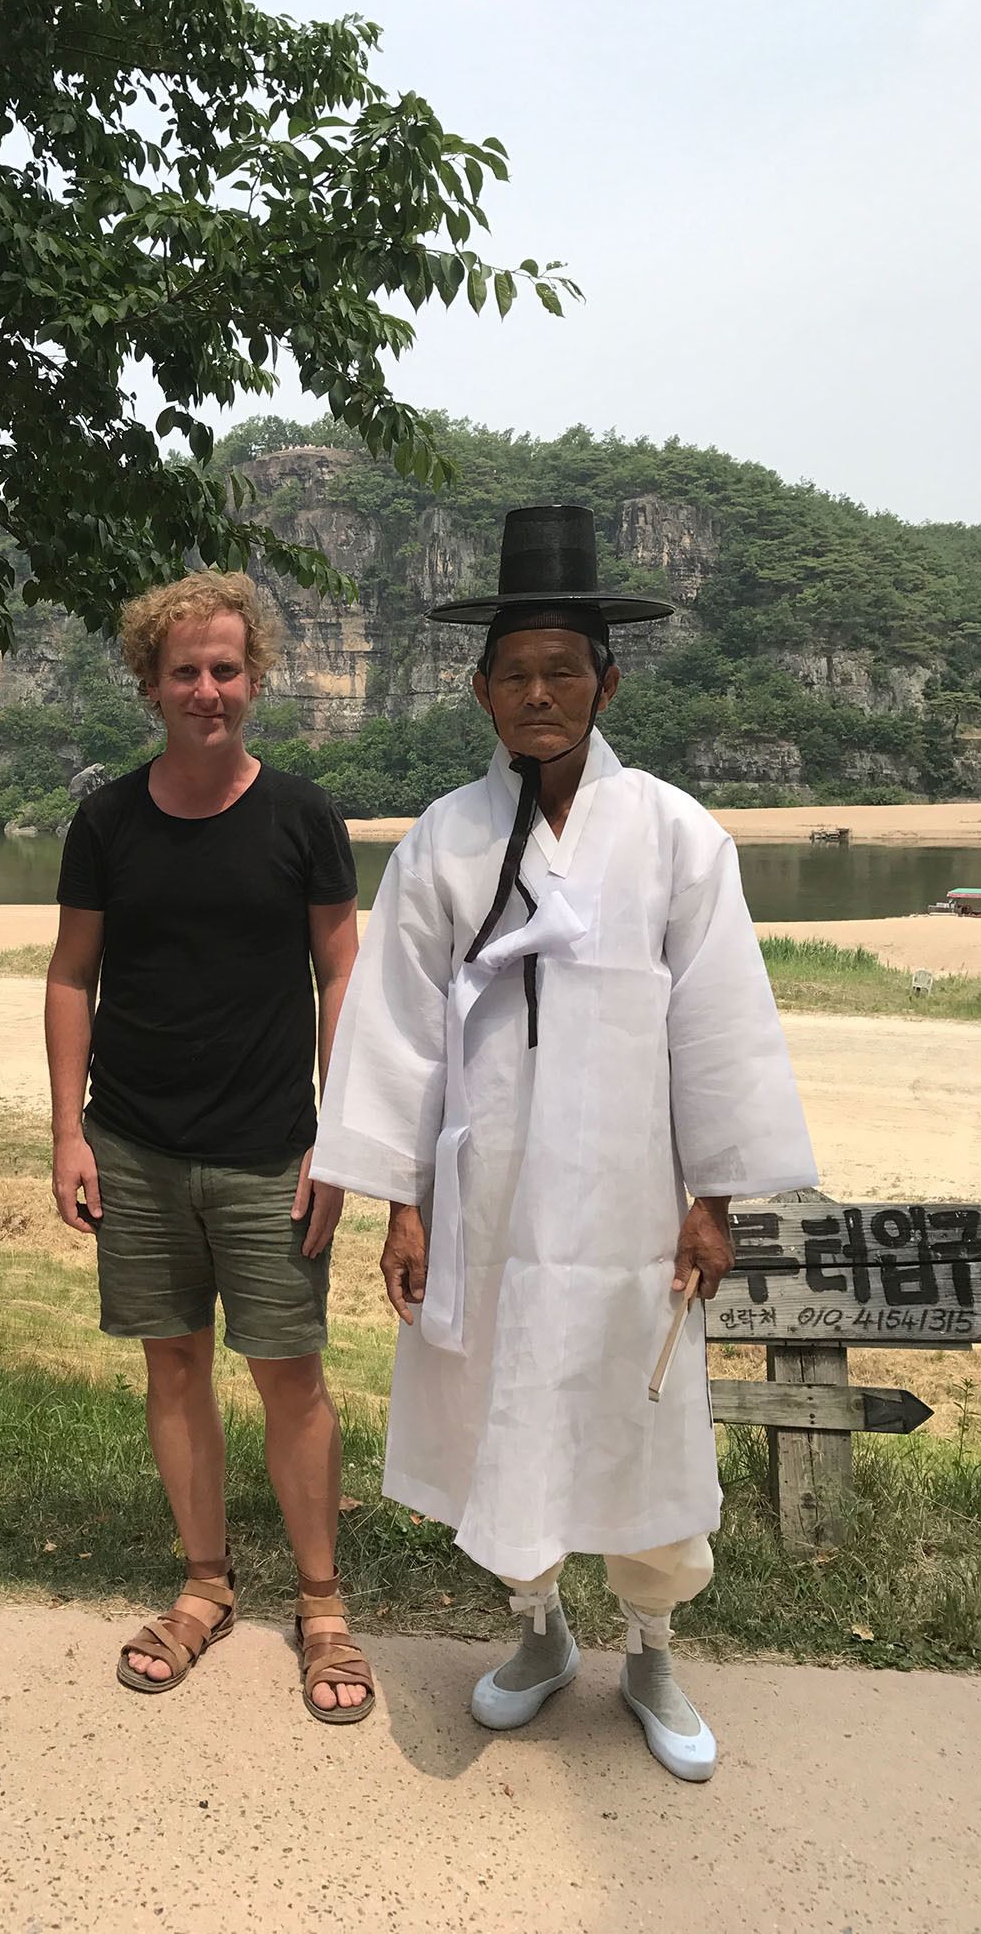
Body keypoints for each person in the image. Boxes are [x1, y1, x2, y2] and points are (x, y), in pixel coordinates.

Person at [309, 505, 818, 1780]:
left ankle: (649, 1642)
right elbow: (396, 1033)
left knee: (641, 1405)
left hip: (632, 1201)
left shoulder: (678, 836)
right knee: (505, 1403)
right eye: (516, 672)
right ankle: (536, 1628)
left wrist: (718, 1195)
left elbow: (720, 1024)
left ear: (607, 681)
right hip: (491, 1199)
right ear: (481, 688)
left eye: (564, 670)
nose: (539, 693)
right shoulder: (444, 841)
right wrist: (403, 1201)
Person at [45, 569, 374, 1723]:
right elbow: (71, 973)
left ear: (255, 676)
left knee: (290, 1374)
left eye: (226, 667)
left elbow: (341, 972)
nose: (206, 688)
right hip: (134, 1144)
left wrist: (342, 1137)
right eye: (183, 669)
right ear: (150, 682)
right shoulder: (109, 819)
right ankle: (203, 1587)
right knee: (171, 1364)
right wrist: (66, 1128)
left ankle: (323, 1607)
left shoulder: (301, 815)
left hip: (271, 1147)